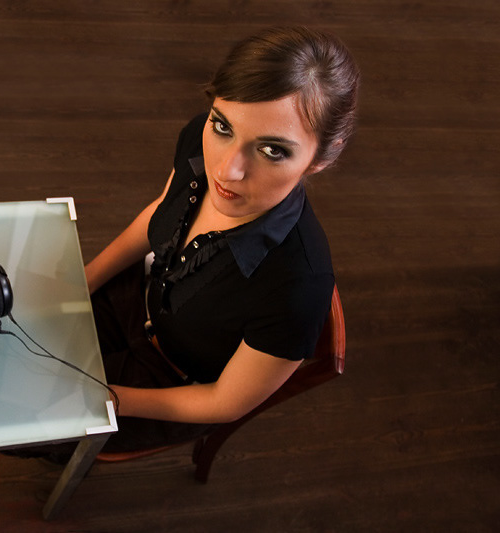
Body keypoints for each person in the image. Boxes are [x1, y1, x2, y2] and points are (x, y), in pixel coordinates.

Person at [86, 25, 360, 453]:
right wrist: (84, 279)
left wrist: (110, 399)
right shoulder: (200, 137)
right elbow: (161, 211)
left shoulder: (299, 289)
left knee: (23, 423)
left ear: (320, 158)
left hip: (171, 384)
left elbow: (224, 402)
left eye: (272, 150)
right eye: (223, 126)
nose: (226, 170)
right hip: (136, 299)